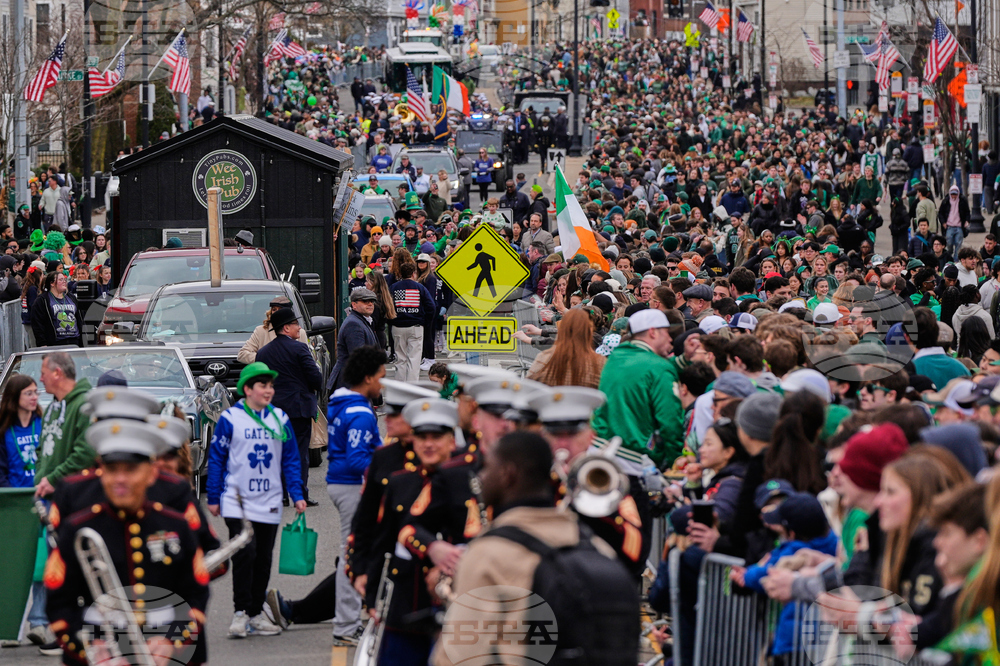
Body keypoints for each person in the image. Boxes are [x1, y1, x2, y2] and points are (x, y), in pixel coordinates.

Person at [431, 430, 640, 666]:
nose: (481, 475)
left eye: (488, 467)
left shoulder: (488, 553)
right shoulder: (595, 546)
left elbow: (460, 658)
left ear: (508, 474)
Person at [264, 379, 440, 633]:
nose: (387, 420)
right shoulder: (388, 456)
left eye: (396, 414)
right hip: (395, 545)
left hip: (425, 553)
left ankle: (294, 610)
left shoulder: (443, 455)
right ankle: (295, 611)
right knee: (358, 570)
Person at [44, 414, 209, 664]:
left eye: (131, 469)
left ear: (152, 473)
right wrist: (91, 648)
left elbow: (195, 593)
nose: (120, 479)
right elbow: (59, 604)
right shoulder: (77, 530)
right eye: (111, 470)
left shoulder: (176, 526)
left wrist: (171, 641)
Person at [207, 362, 306, 638]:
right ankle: (240, 613)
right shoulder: (230, 419)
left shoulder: (280, 419)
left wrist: (297, 494)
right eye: (263, 385)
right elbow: (217, 459)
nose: (269, 390)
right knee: (245, 554)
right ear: (247, 389)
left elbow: (290, 460)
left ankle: (254, 614)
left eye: (271, 385)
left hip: (270, 499)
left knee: (263, 558)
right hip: (237, 500)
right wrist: (213, 495)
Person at [325, 345, 386, 646]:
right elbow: (357, 458)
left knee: (353, 553)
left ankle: (348, 622)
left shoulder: (341, 402)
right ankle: (346, 626)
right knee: (351, 555)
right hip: (351, 486)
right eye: (380, 377)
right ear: (367, 378)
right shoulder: (361, 413)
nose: (382, 383)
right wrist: (384, 475)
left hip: (341, 483)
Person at [255, 306, 324, 506]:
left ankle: (280, 494)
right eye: (295, 324)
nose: (299, 328)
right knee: (299, 452)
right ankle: (299, 494)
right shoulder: (299, 348)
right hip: (298, 408)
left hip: (272, 410)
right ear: (286, 328)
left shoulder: (263, 353)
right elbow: (315, 378)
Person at [34, 352, 93, 498]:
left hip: (75, 498)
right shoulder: (51, 409)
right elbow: (40, 450)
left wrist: (53, 479)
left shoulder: (85, 406)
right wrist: (41, 477)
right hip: (47, 494)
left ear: (57, 373)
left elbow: (85, 453)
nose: (41, 379)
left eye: (43, 374)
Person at [527, 307, 605, 388]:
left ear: (562, 329)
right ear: (589, 331)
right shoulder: (600, 362)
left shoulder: (545, 357)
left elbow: (529, 386)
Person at [389, 249, 435, 383]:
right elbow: (431, 306)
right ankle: (412, 387)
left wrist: (391, 320)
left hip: (398, 325)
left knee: (400, 358)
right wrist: (425, 321)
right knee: (414, 359)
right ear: (414, 273)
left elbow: (387, 305)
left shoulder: (394, 287)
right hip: (416, 325)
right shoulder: (419, 287)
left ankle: (399, 387)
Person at [237, 296, 310, 364]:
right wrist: (267, 359)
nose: (276, 312)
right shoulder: (261, 331)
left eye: (280, 309)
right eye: (274, 309)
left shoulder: (300, 332)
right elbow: (242, 354)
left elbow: (306, 360)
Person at [30, 270, 81, 347]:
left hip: (74, 340)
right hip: (55, 343)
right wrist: (42, 343)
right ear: (52, 283)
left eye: (65, 279)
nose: (64, 282)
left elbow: (79, 319)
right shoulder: (42, 300)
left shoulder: (71, 297)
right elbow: (37, 324)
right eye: (61, 280)